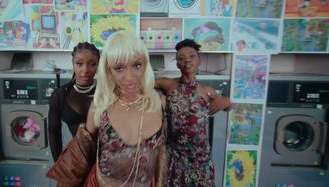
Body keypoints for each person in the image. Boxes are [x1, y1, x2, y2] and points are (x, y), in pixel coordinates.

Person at [84, 30, 167, 187]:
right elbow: (82, 157)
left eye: (137, 65)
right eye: (119, 68)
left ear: (145, 64)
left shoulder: (158, 103)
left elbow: (163, 155)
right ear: (108, 71)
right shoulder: (99, 108)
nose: (129, 77)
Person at [155, 39, 232, 186]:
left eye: (192, 56)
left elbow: (228, 105)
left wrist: (226, 101)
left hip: (200, 158)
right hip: (175, 157)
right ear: (177, 64)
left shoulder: (207, 91)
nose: (187, 61)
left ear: (199, 61)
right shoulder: (168, 84)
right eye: (181, 58)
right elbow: (145, 84)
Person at [48, 42, 100, 162]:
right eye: (79, 64)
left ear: (98, 65)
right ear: (73, 64)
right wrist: (58, 163)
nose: (85, 70)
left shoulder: (106, 93)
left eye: (92, 64)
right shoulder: (60, 96)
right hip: (77, 163)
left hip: (105, 162)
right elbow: (53, 131)